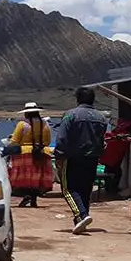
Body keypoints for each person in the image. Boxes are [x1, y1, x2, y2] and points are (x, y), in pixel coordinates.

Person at [54, 87, 108, 234]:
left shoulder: (71, 115)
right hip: (92, 158)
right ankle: (81, 220)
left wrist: (59, 155)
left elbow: (62, 137)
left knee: (68, 189)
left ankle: (82, 215)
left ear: (78, 99)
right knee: (85, 189)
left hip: (72, 157)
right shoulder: (101, 118)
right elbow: (102, 140)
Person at [7, 102, 55, 208]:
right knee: (36, 177)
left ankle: (27, 196)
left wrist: (10, 142)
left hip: (25, 153)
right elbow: (47, 141)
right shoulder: (45, 124)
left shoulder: (22, 124)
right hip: (42, 153)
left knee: (26, 177)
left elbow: (15, 140)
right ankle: (33, 199)